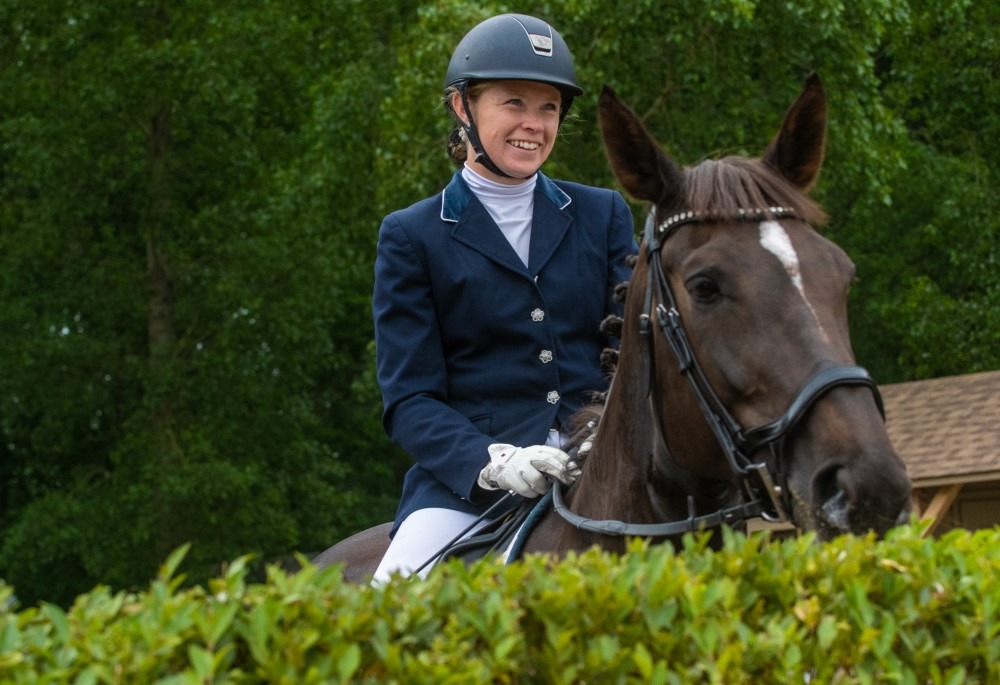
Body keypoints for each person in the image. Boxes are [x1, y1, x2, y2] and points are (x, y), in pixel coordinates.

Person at [371, 13, 637, 583]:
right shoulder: (412, 236)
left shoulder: (603, 214)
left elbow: (634, 348)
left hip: (607, 467)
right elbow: (410, 399)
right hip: (468, 492)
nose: (534, 125)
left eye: (548, 108)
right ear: (462, 108)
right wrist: (492, 461)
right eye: (514, 103)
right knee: (388, 621)